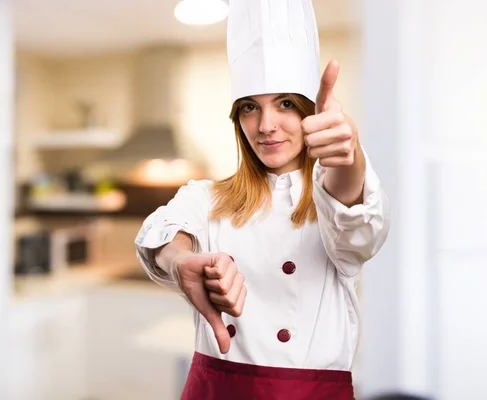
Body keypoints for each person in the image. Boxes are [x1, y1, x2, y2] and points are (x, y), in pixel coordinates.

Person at [134, 0, 390, 398]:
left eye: (286, 104)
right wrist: (181, 259)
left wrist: (350, 156)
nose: (266, 126)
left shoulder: (329, 201)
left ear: (310, 112)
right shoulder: (208, 196)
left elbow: (359, 226)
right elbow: (161, 232)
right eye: (250, 108)